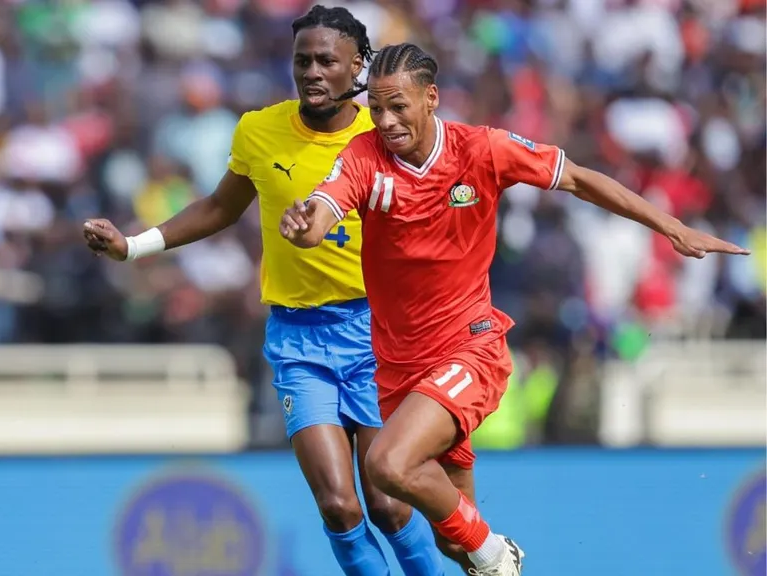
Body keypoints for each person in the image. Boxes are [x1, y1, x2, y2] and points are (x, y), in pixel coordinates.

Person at [279, 42, 750, 576]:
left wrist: (673, 227)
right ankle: (487, 555)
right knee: (455, 540)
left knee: (388, 465)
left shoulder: (482, 150)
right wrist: (305, 228)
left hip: (469, 349)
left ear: (430, 98)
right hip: (399, 368)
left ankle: (501, 558)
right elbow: (324, 208)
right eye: (378, 108)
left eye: (398, 106)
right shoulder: (364, 156)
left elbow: (578, 178)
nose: (385, 120)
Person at [82, 8, 446, 576]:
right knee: (338, 503)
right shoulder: (258, 129)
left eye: (328, 60)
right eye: (303, 60)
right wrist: (133, 247)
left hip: (376, 335)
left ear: (358, 65)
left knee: (388, 500)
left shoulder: (382, 136)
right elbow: (218, 208)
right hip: (300, 339)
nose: (313, 71)